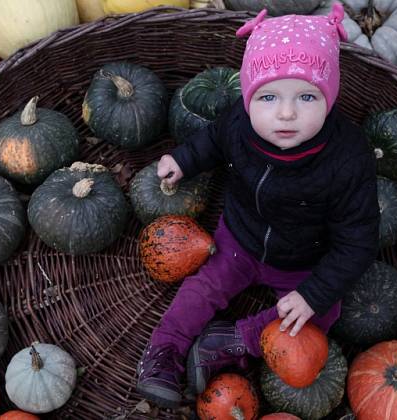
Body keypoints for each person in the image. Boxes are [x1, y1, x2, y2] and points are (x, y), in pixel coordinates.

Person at [135, 3, 380, 408]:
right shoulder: (239, 123)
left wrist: (313, 292)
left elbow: (358, 240)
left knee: (323, 314)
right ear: (249, 96)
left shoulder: (348, 158)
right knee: (202, 289)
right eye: (268, 96)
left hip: (304, 261)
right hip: (239, 239)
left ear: (330, 96)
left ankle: (233, 341)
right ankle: (164, 353)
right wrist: (183, 160)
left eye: (306, 95)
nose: (286, 113)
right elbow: (212, 139)